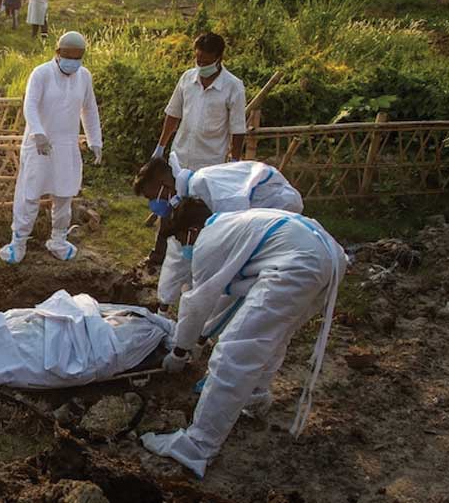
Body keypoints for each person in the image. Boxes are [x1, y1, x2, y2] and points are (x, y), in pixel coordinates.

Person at [140, 201, 346, 478]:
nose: (184, 248)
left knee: (233, 353)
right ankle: (255, 395)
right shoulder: (231, 225)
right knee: (274, 334)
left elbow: (198, 304)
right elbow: (230, 298)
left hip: (298, 263)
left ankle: (197, 445)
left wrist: (180, 351)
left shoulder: (208, 242)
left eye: (180, 240)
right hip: (329, 257)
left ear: (191, 232)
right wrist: (200, 339)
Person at [134, 156, 303, 315]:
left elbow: (232, 247)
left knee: (235, 276)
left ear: (164, 184)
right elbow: (177, 254)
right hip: (253, 219)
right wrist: (164, 305)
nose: (153, 204)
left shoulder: (210, 191)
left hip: (276, 208)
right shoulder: (187, 197)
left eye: (152, 196)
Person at [0, 32, 102, 264]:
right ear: (58, 53)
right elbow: (30, 105)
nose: (73, 61)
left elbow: (89, 109)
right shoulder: (41, 74)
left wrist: (95, 140)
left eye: (78, 57)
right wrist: (38, 133)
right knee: (30, 194)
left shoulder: (84, 76)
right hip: (40, 146)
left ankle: (58, 239)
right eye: (69, 56)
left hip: (66, 146)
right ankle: (19, 241)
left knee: (64, 194)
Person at [152, 33, 246, 171]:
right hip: (180, 158)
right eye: (198, 60)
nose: (201, 66)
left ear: (218, 58)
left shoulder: (233, 86)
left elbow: (237, 129)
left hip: (210, 164)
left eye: (206, 63)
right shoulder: (187, 79)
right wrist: (160, 147)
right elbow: (173, 114)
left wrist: (234, 160)